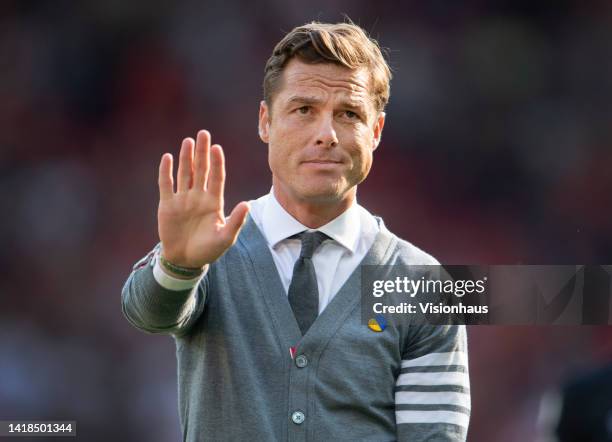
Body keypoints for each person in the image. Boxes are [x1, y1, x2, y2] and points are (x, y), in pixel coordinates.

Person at [122, 21, 470, 441]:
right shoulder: (209, 249)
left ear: (375, 131)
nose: (326, 135)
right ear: (265, 122)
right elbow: (147, 312)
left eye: (349, 114)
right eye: (304, 110)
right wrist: (178, 266)